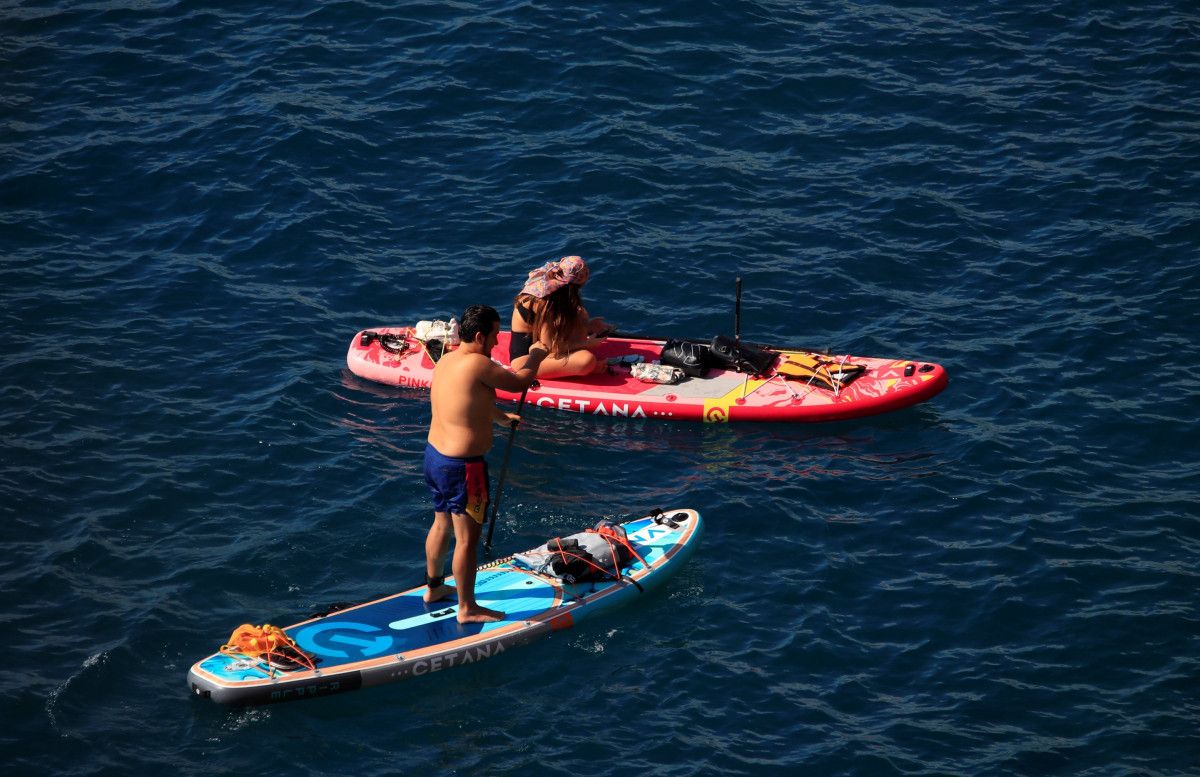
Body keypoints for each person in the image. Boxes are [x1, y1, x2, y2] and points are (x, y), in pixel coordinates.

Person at [424, 304, 547, 623]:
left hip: (436, 458)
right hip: (464, 468)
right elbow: (519, 382)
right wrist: (536, 355)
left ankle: (434, 587)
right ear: (479, 336)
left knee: (441, 523)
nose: (496, 342)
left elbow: (466, 400)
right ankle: (467, 609)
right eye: (493, 336)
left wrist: (500, 418)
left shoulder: (448, 360)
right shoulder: (479, 363)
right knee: (467, 540)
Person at [509, 255, 610, 379]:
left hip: (540, 347)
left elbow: (560, 322)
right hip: (527, 362)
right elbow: (549, 347)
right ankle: (589, 368)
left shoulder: (555, 290)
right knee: (587, 360)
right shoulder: (547, 303)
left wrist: (587, 326)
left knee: (581, 315)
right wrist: (586, 343)